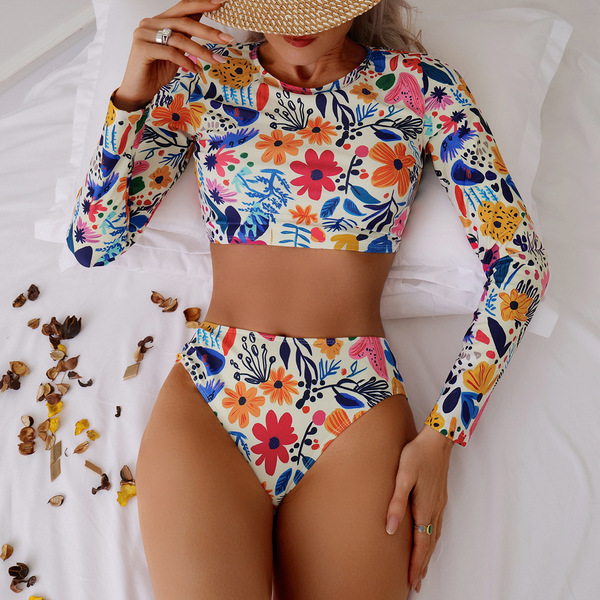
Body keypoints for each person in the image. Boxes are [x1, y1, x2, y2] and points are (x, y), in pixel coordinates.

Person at [66, 0, 550, 597]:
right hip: (213, 400)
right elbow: (93, 244)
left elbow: (520, 265)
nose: (301, 23)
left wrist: (445, 434)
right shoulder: (202, 79)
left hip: (355, 408)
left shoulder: (423, 89)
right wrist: (131, 102)